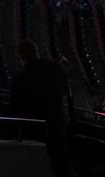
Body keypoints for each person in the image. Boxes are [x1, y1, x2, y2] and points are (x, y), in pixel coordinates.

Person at [11, 40, 69, 176]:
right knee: (60, 156)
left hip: (35, 126)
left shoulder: (19, 78)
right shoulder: (54, 66)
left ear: (21, 57)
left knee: (41, 159)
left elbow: (14, 106)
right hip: (57, 121)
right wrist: (65, 62)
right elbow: (68, 73)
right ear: (36, 51)